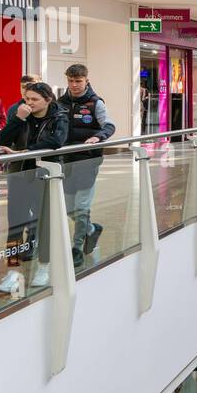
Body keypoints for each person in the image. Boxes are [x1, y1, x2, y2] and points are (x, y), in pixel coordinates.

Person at [0, 82, 69, 294]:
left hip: (46, 175)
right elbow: (2, 139)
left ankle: (45, 266)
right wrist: (18, 119)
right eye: (27, 98)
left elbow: (57, 140)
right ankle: (12, 270)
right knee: (16, 222)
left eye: (35, 99)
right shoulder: (20, 113)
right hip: (20, 174)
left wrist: (25, 151)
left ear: (48, 100)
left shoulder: (59, 115)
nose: (29, 103)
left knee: (44, 222)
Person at [55, 64, 116, 269]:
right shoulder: (59, 103)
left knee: (81, 208)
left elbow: (109, 125)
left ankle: (77, 248)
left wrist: (97, 137)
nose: (74, 85)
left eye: (78, 81)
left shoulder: (95, 103)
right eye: (71, 81)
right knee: (69, 209)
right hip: (65, 161)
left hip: (88, 161)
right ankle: (91, 229)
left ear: (86, 80)